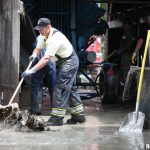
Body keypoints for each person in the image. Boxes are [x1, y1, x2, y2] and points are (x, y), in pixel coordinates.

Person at [21, 18, 86, 126]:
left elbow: (46, 59)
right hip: (62, 61)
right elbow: (38, 48)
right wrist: (34, 55)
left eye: (41, 29)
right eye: (38, 29)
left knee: (60, 88)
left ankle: (57, 118)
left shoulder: (55, 38)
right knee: (70, 89)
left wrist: (32, 70)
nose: (39, 31)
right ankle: (79, 116)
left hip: (69, 61)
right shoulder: (43, 35)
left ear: (48, 27)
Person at [30, 38, 56, 115]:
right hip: (50, 63)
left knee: (36, 85)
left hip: (39, 62)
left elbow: (35, 48)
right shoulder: (52, 39)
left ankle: (36, 109)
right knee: (53, 86)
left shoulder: (38, 38)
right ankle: (56, 109)